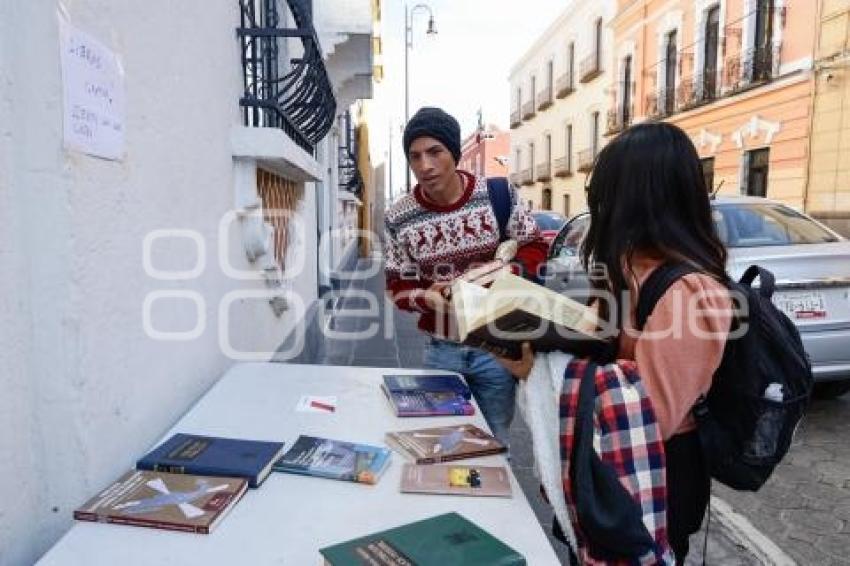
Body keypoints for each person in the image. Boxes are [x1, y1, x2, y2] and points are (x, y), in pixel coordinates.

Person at [499, 122, 733, 563]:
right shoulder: (625, 266)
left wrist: (548, 370)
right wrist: (531, 349)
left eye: (606, 194)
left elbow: (645, 414)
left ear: (641, 199)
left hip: (653, 477)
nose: (599, 206)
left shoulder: (691, 292)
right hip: (599, 468)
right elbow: (598, 345)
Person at [383, 107, 548, 447]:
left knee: (493, 443)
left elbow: (535, 248)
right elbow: (396, 284)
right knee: (440, 443)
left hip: (497, 349)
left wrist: (500, 277)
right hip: (442, 350)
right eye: (414, 156)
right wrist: (423, 298)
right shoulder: (398, 217)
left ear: (454, 153)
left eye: (434, 152)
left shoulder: (498, 195)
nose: (424, 165)